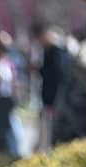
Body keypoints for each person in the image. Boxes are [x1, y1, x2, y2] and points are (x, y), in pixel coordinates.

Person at [33, 23, 67, 151]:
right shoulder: (49, 51)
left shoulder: (56, 52)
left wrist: (39, 69)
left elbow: (55, 74)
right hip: (49, 98)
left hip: (54, 97)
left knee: (51, 128)